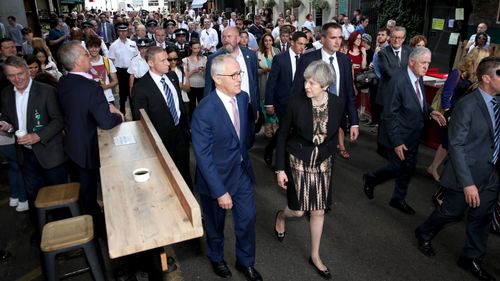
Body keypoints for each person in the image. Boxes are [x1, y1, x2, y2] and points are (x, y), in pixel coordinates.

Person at [415, 57, 500, 281]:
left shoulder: (498, 103)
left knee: (482, 218)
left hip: (492, 173)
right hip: (467, 175)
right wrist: (468, 183)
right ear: (486, 78)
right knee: (451, 212)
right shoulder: (467, 105)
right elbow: (456, 146)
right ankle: (424, 232)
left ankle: (471, 257)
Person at [191, 54, 263, 281]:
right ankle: (216, 257)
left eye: (239, 73)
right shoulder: (204, 111)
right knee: (215, 224)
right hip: (216, 179)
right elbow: (203, 156)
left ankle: (246, 262)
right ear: (217, 79)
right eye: (234, 75)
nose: (239, 79)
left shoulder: (242, 99)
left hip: (240, 172)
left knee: (247, 218)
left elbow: (243, 135)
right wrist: (220, 191)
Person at [274, 60, 344, 280]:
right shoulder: (295, 102)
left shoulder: (337, 103)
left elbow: (334, 133)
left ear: (325, 86)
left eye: (312, 83)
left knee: (318, 210)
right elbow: (283, 135)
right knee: (298, 210)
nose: (306, 86)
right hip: (298, 159)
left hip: (323, 162)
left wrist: (330, 152)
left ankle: (315, 256)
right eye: (306, 81)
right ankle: (281, 216)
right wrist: (280, 169)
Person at [363, 47, 446, 215]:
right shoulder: (397, 81)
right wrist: (397, 142)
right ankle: (371, 178)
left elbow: (418, 101)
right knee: (396, 167)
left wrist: (430, 112)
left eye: (428, 63)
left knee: (408, 167)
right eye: (423, 63)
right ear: (411, 62)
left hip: (413, 134)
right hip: (398, 135)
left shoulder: (417, 77)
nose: (426, 67)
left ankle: (398, 198)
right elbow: (389, 115)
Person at [57, 40, 124, 237]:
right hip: (87, 147)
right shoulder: (90, 87)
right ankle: (96, 230)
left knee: (84, 190)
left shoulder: (64, 81)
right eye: (86, 54)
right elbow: (105, 121)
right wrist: (118, 115)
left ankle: (90, 221)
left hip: (72, 144)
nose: (90, 56)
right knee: (89, 192)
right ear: (78, 61)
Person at [1, 56, 67, 215]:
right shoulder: (6, 94)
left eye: (20, 74)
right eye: (11, 76)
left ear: (27, 71)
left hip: (50, 154)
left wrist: (38, 136)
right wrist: (7, 126)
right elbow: (11, 121)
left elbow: (59, 121)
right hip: (25, 155)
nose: (16, 79)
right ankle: (41, 230)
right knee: (34, 197)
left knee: (59, 197)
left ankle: (63, 229)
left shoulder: (46, 91)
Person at [132, 46, 193, 190]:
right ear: (151, 63)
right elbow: (141, 122)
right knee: (167, 181)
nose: (169, 63)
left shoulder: (172, 77)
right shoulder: (140, 88)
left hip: (181, 137)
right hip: (161, 143)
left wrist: (186, 129)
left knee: (185, 173)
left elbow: (179, 105)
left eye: (168, 59)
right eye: (163, 60)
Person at [292, 23, 359, 145]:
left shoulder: (344, 60)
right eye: (333, 38)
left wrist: (354, 122)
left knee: (330, 154)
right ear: (322, 39)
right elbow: (297, 90)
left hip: (337, 117)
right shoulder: (307, 59)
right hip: (311, 117)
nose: (338, 41)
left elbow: (349, 92)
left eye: (340, 37)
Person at [204, 27, 259, 147]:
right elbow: (208, 88)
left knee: (247, 141)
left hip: (248, 107)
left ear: (238, 38)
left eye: (229, 36)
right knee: (229, 143)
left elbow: (254, 83)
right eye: (223, 37)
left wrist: (256, 107)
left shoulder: (250, 55)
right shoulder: (213, 59)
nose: (225, 40)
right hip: (226, 110)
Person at [263, 31, 308, 166]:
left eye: (305, 45)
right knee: (285, 130)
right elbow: (272, 82)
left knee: (289, 130)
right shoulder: (280, 59)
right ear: (292, 42)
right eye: (300, 44)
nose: (302, 47)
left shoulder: (305, 60)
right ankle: (280, 161)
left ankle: (272, 150)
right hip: (282, 103)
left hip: (299, 103)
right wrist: (269, 103)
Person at [108, 22, 138, 115]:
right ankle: (122, 110)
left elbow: (136, 56)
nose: (123, 33)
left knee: (132, 91)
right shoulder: (114, 45)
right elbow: (111, 61)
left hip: (132, 71)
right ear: (117, 32)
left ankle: (134, 111)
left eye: (124, 31)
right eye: (120, 31)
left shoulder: (132, 43)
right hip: (120, 72)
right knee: (122, 93)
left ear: (127, 32)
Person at [87, 35, 118, 104]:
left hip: (107, 98)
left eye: (96, 47)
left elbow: (115, 81)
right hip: (91, 99)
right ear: (87, 48)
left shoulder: (107, 61)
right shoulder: (84, 63)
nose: (94, 49)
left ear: (100, 48)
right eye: (91, 47)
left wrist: (105, 87)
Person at [182, 39, 206, 119]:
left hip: (202, 85)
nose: (197, 50)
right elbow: (184, 77)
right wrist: (193, 71)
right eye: (195, 48)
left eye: (198, 48)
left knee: (202, 107)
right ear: (191, 48)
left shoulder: (204, 58)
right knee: (191, 107)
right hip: (191, 86)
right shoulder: (185, 60)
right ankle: (192, 124)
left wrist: (204, 70)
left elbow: (207, 75)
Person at [257, 33, 279, 102]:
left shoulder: (277, 51)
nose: (268, 42)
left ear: (272, 41)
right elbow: (255, 71)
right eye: (266, 41)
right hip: (263, 82)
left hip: (276, 82)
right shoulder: (258, 53)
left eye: (270, 40)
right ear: (263, 42)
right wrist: (264, 70)